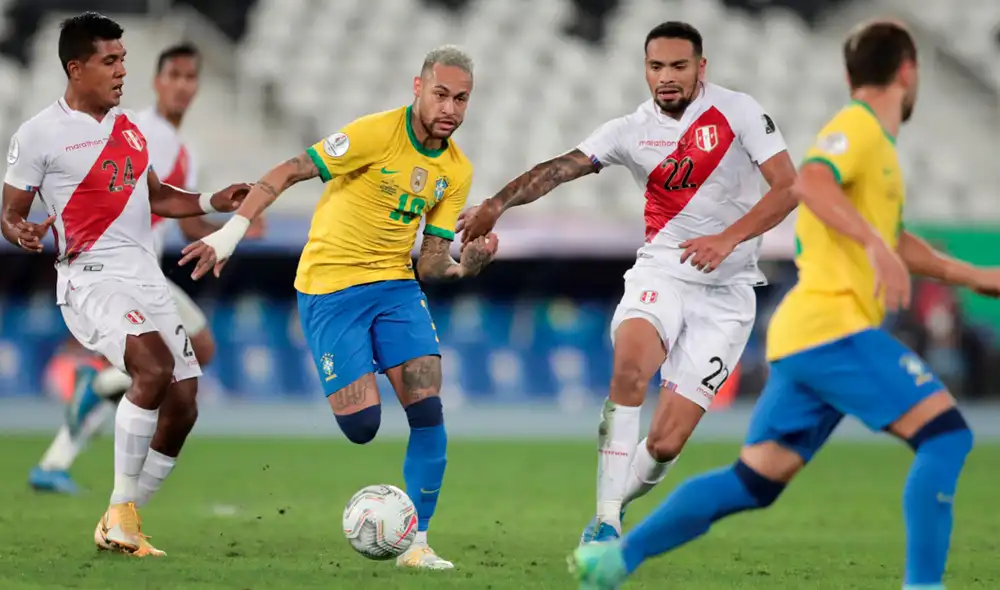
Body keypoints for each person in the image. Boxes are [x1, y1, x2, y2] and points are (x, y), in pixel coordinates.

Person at [569, 20, 1000, 590]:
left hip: (805, 338)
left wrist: (971, 274)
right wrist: (874, 246)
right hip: (832, 328)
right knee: (947, 436)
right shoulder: (860, 128)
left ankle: (612, 563)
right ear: (908, 71)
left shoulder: (879, 150)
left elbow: (892, 236)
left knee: (754, 481)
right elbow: (810, 183)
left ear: (850, 73)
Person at [459, 21, 797, 544]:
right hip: (661, 271)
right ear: (645, 69)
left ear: (700, 68)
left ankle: (618, 501)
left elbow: (788, 188)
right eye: (656, 66)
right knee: (631, 365)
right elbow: (560, 169)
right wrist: (496, 203)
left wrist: (727, 239)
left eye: (678, 66)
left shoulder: (739, 112)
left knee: (665, 443)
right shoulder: (629, 130)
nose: (666, 77)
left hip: (727, 295)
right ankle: (606, 520)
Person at [178, 45, 497, 569]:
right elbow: (289, 169)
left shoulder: (456, 170)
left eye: (462, 99)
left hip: (394, 286)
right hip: (329, 289)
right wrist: (231, 235)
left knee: (427, 408)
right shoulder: (375, 134)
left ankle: (416, 544)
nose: (451, 108)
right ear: (417, 89)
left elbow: (433, 264)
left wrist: (471, 264)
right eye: (441, 94)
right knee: (362, 426)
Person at [0, 12, 249, 556]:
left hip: (145, 277)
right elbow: (11, 212)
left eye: (123, 61)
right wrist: (20, 231)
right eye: (110, 62)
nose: (120, 72)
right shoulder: (39, 134)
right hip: (92, 280)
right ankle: (119, 515)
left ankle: (124, 517)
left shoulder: (128, 128)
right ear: (76, 67)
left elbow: (158, 197)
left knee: (185, 403)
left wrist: (213, 201)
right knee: (153, 369)